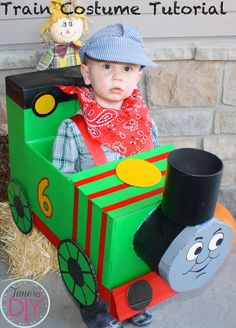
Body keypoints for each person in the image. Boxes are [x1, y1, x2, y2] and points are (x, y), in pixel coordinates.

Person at [53, 23, 159, 328]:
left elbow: (155, 160)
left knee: (135, 259)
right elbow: (64, 179)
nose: (117, 76)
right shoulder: (72, 129)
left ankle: (130, 302)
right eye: (107, 66)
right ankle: (96, 311)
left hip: (135, 211)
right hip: (93, 220)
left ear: (138, 77)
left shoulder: (144, 121)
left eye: (127, 68)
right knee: (94, 269)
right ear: (87, 74)